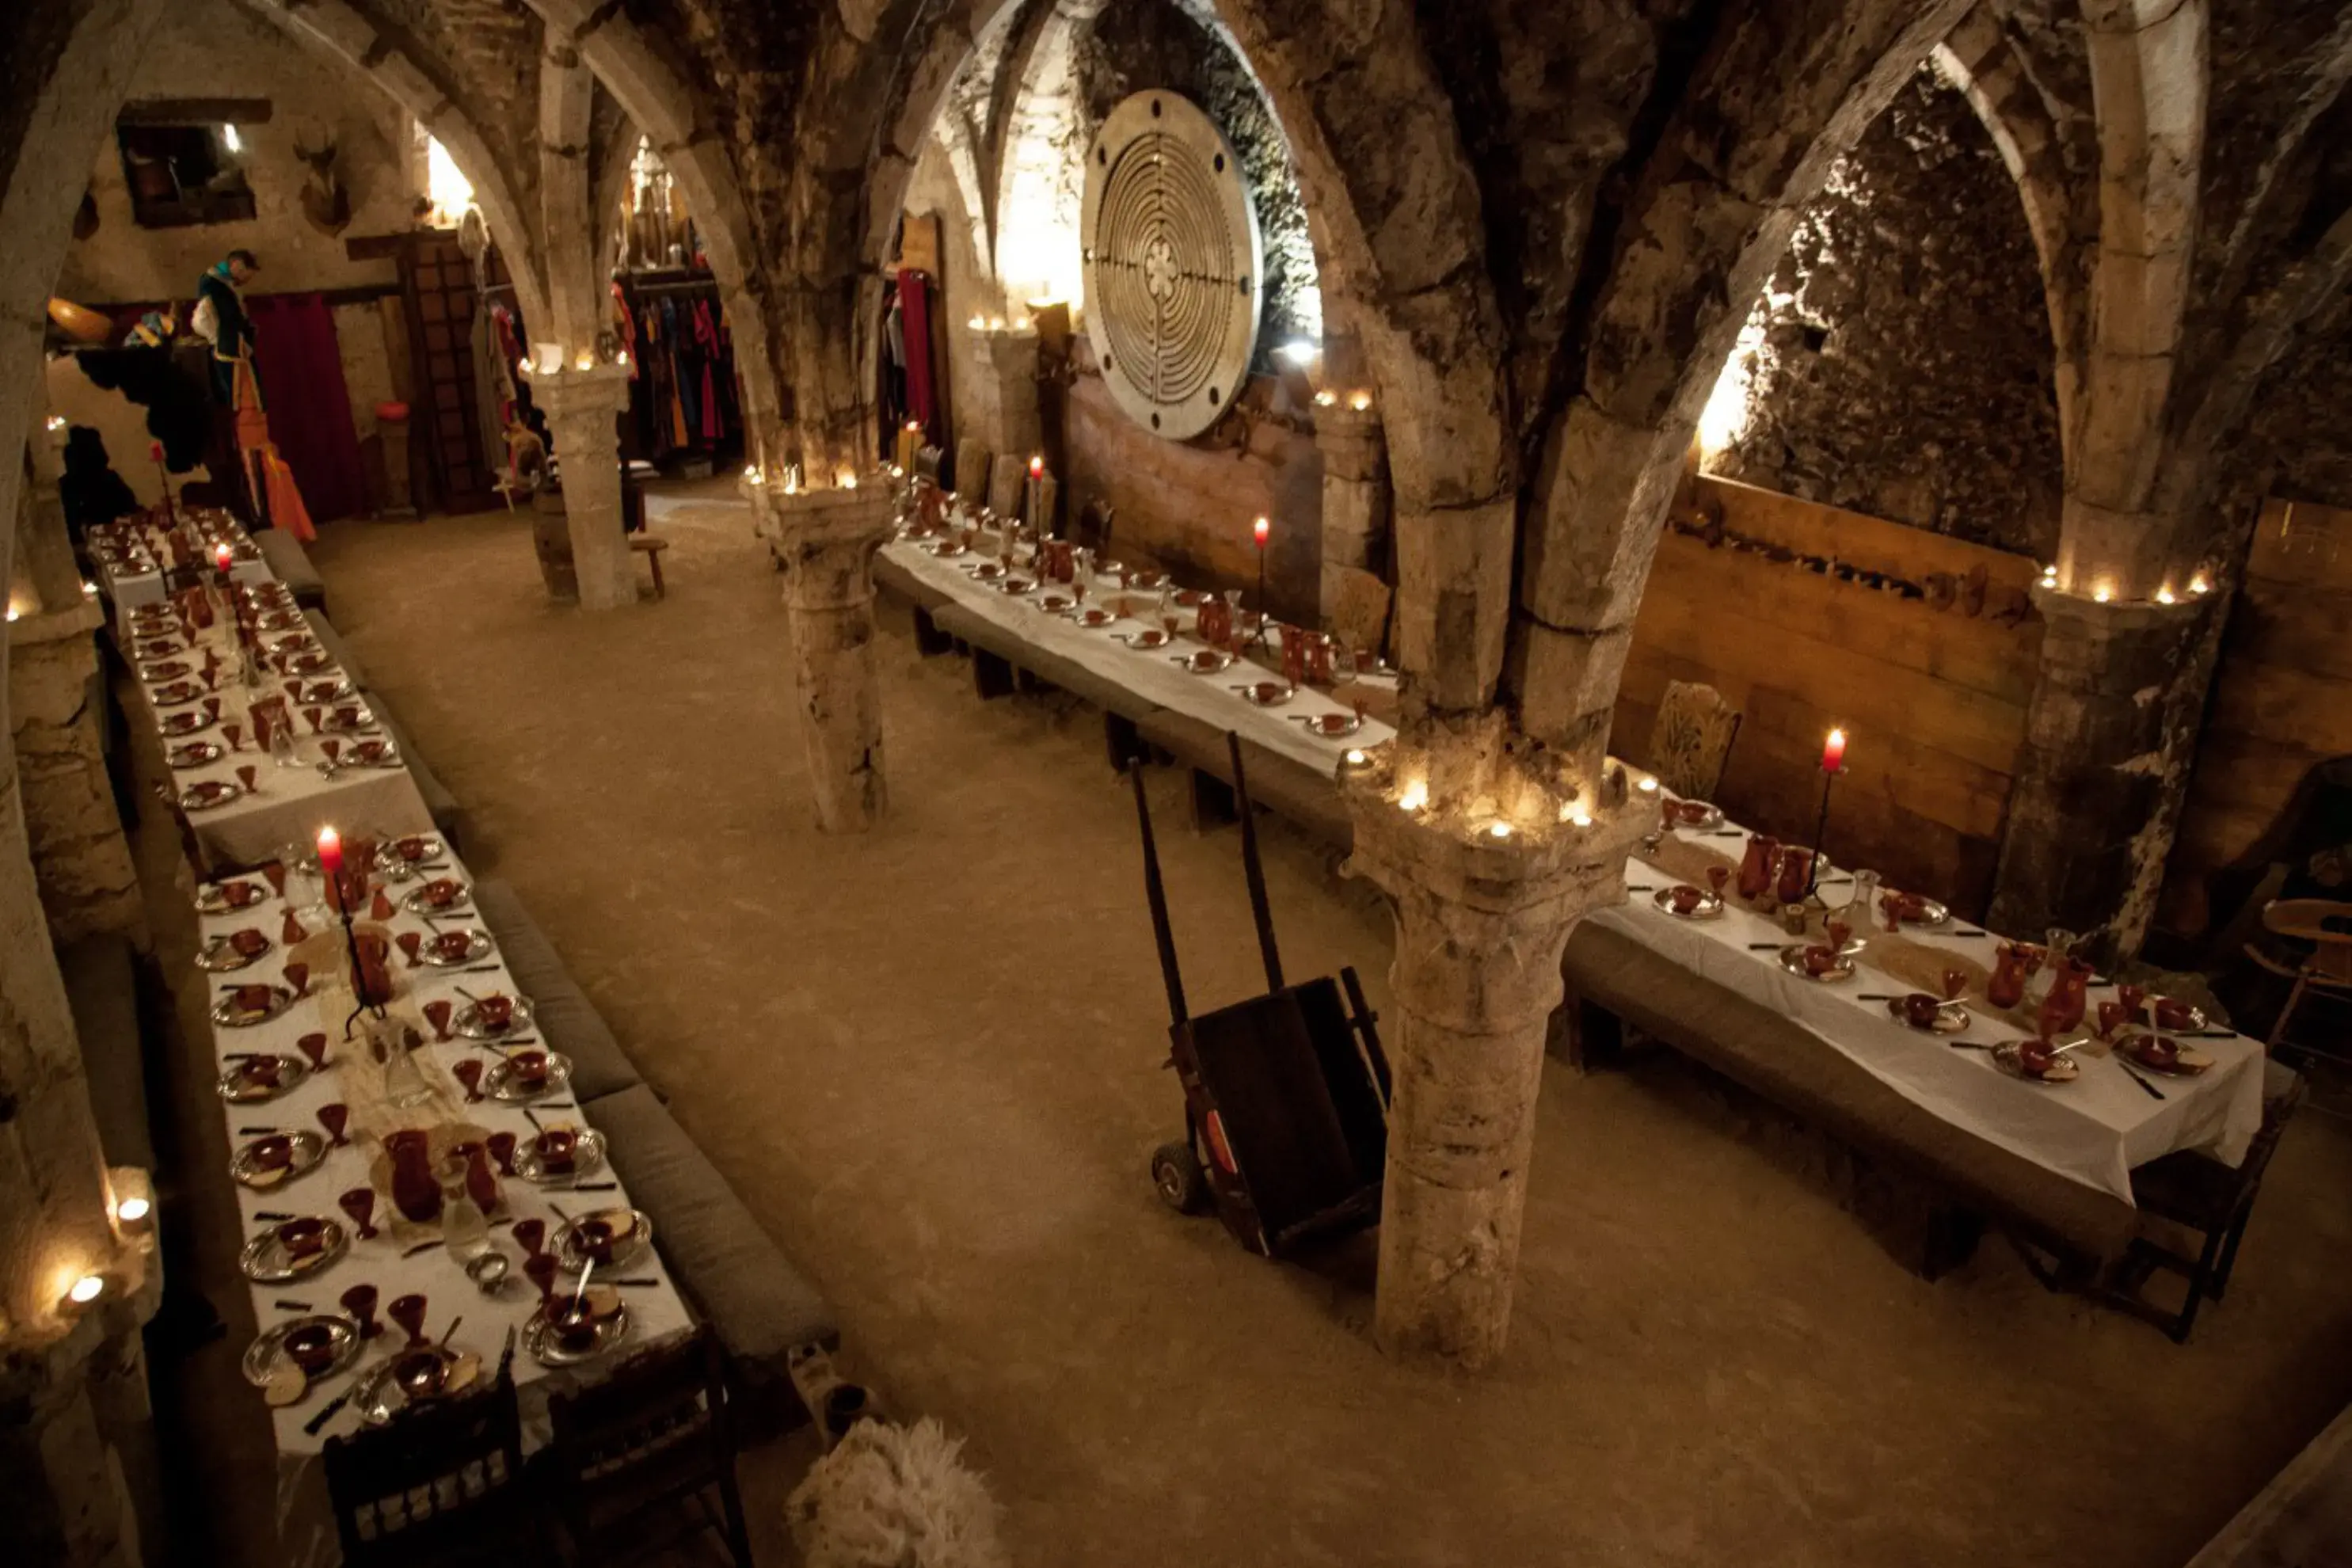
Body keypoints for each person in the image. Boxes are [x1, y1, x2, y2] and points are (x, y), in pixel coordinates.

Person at [189, 249, 260, 405]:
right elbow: (206, 318)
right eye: (245, 275)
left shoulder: (225, 284)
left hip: (236, 347)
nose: (245, 281)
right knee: (236, 397)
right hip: (227, 349)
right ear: (237, 265)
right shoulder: (212, 284)